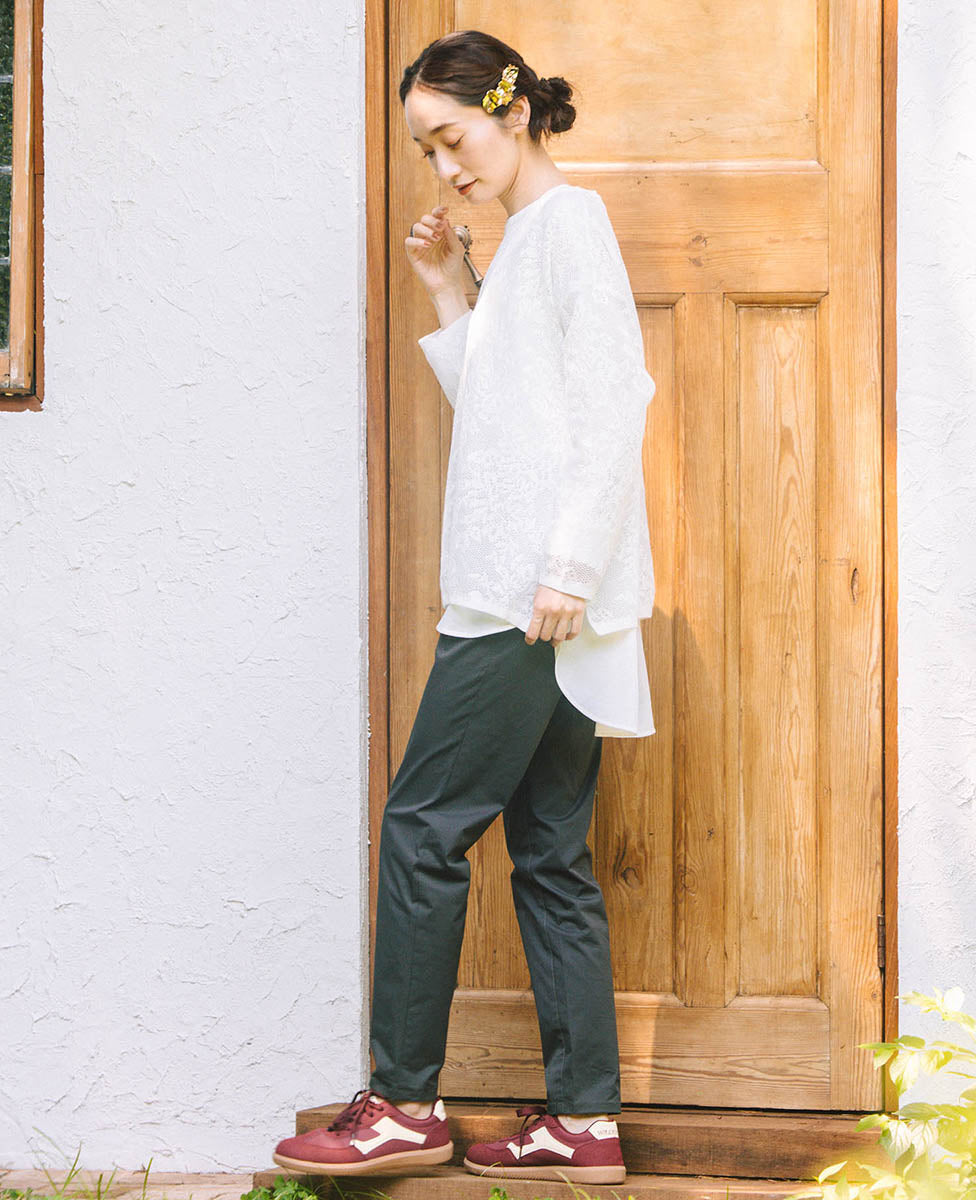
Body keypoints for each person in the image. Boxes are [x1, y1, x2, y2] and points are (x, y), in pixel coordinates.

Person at [272, 28, 657, 1187]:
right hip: (541, 594)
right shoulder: (526, 239)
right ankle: (583, 1123)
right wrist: (449, 286)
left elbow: (613, 402)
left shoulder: (569, 225)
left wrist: (569, 568)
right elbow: (502, 411)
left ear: (512, 111)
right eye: (426, 152)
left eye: (452, 138)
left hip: (523, 598)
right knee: (547, 855)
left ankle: (401, 1104)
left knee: (422, 829)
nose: (444, 168)